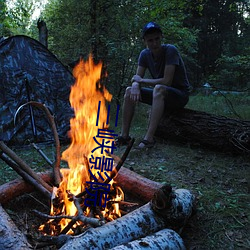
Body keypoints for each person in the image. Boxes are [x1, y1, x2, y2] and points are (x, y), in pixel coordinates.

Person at [116, 21, 191, 149]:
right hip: (160, 94)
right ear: (145, 41)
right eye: (150, 40)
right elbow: (136, 78)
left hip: (179, 95)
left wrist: (140, 81)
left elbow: (167, 81)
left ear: (161, 37)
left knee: (159, 88)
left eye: (157, 39)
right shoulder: (144, 54)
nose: (154, 43)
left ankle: (149, 138)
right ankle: (124, 136)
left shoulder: (170, 50)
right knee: (129, 91)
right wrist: (135, 85)